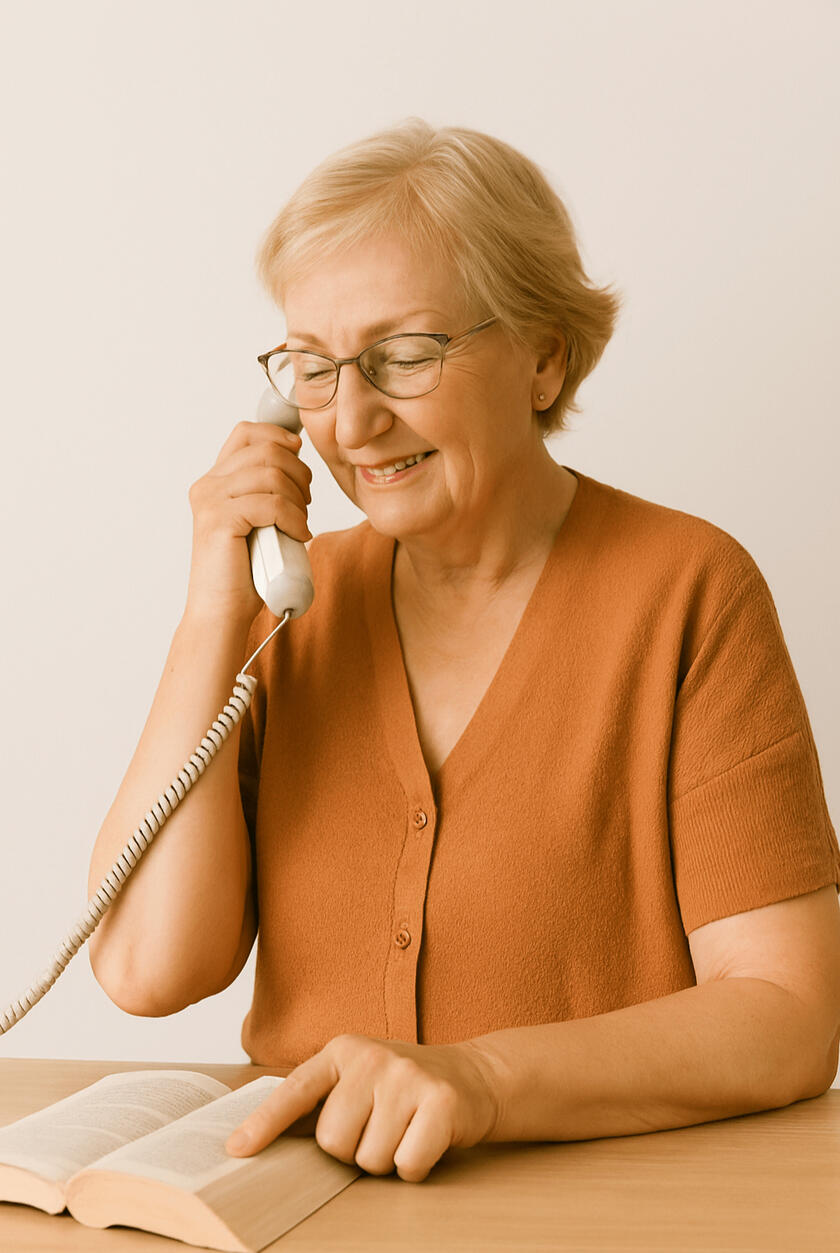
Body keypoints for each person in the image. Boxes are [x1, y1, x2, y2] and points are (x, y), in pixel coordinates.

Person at [87, 118, 840, 1184]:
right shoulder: (291, 614)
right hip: (300, 1213)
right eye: (310, 367)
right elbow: (149, 967)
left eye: (401, 356)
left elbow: (791, 1016)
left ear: (543, 356)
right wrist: (216, 606)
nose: (351, 422)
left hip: (591, 1216)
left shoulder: (689, 591)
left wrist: (480, 1078)